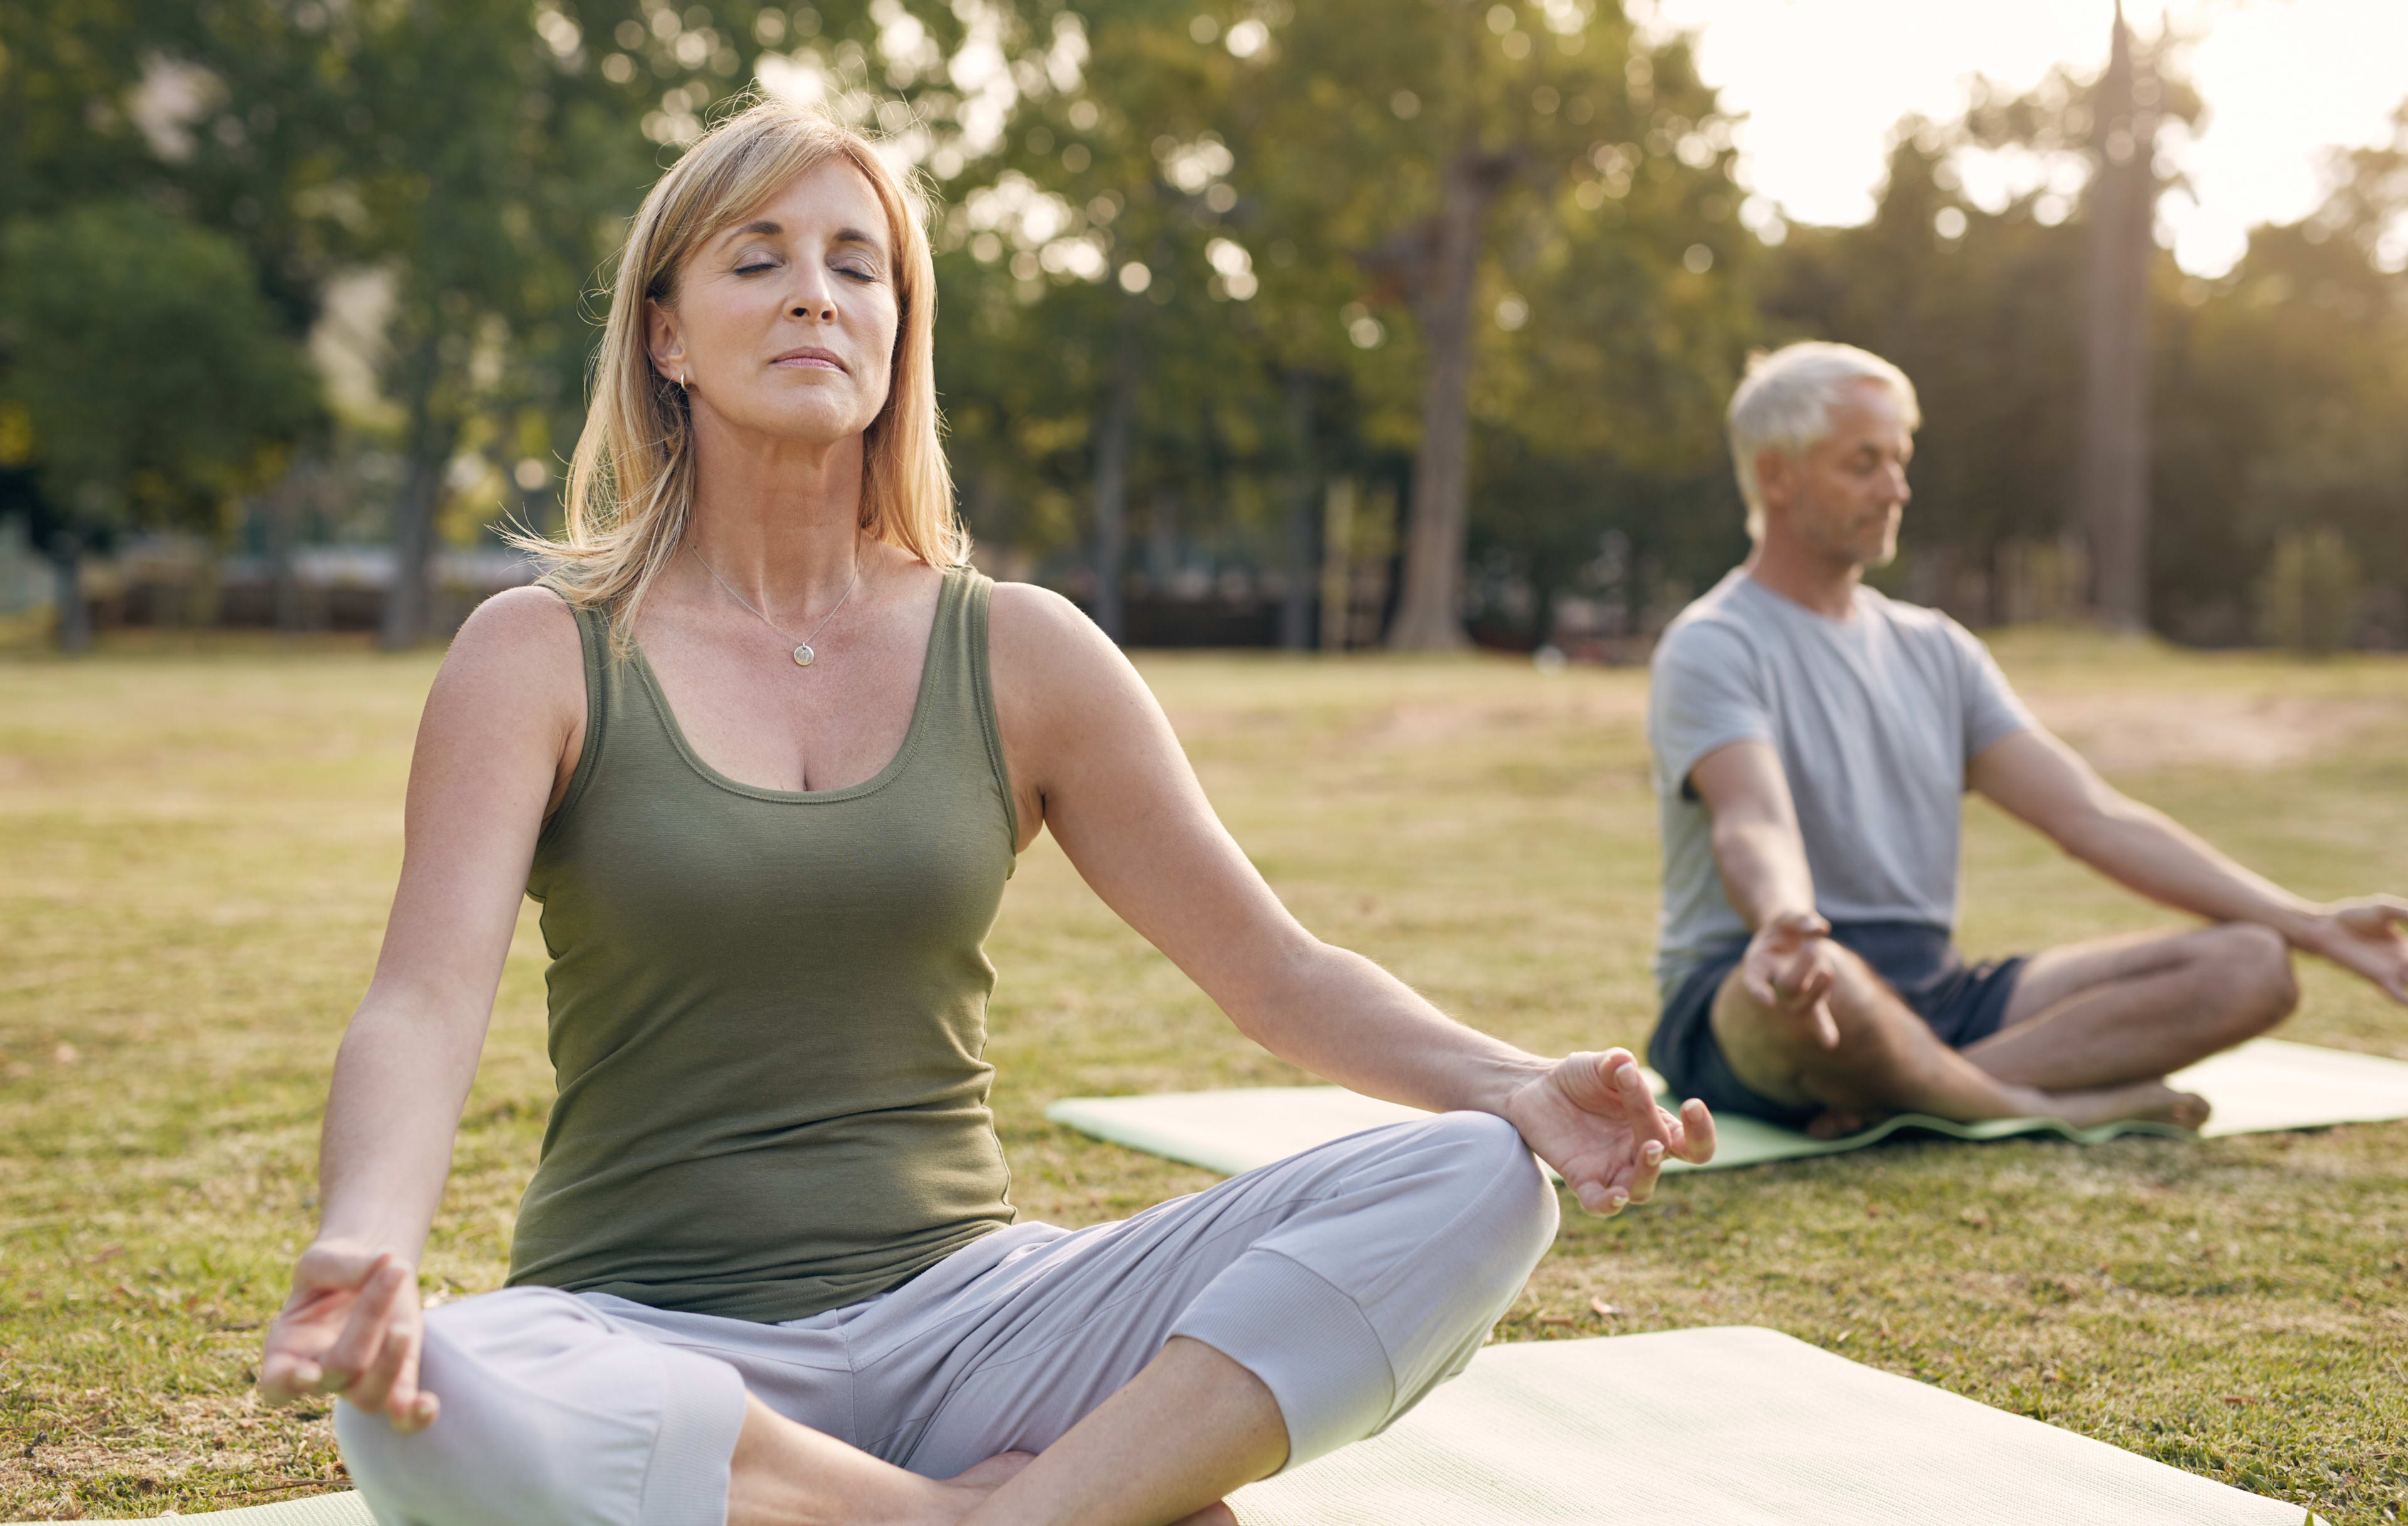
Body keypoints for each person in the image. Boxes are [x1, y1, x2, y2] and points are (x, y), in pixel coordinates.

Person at [253, 97, 1715, 1526]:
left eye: (855, 264)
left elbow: (1274, 974)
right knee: (440, 1381)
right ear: (665, 335)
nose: (813, 295)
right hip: (651, 1329)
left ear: (899, 331)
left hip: (980, 1325)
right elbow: (422, 1003)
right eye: (755, 260)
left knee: (1475, 1177)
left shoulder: (1021, 650)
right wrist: (368, 1238)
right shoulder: (539, 652)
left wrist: (1514, 1080)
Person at [1644, 340, 2408, 1139]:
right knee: (1826, 982)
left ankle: (1920, 1093)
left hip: (1935, 995)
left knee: (2253, 965)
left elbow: (2091, 816)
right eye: (1863, 463)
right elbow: (1752, 819)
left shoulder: (1937, 649)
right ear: (1777, 474)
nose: (1896, 488)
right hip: (1768, 982)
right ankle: (2036, 1100)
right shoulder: (1714, 642)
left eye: (1900, 461)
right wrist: (1785, 921)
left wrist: (2312, 924)